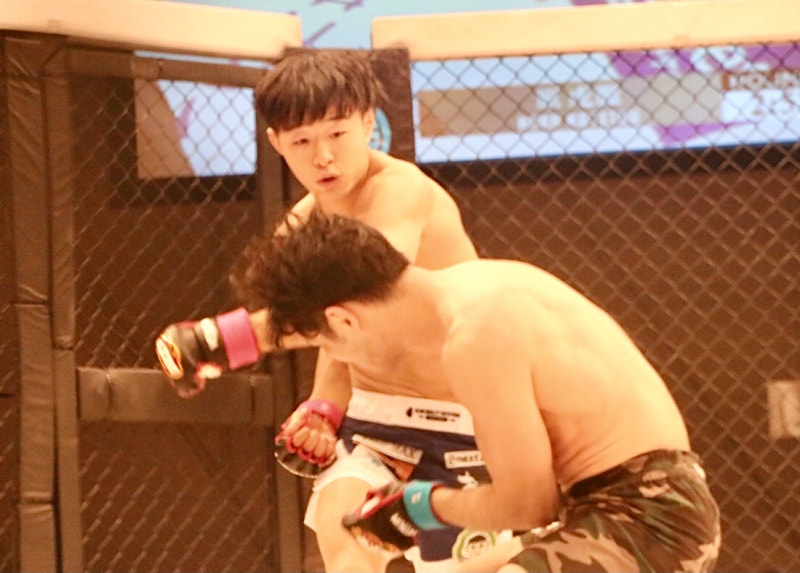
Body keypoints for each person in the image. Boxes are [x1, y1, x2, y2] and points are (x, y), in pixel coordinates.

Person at [154, 48, 515, 572]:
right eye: (302, 141)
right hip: (378, 424)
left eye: (337, 134)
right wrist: (325, 407)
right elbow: (336, 331)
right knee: (342, 532)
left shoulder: (400, 192)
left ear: (368, 123)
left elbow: (365, 299)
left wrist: (220, 340)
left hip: (469, 424)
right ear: (276, 142)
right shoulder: (300, 226)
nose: (322, 156)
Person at [229, 210, 722, 573]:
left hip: (649, 517)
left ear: (344, 320)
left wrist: (417, 505)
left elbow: (529, 505)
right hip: (619, 507)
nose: (343, 361)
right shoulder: (482, 284)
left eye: (329, 346)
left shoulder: (475, 338)